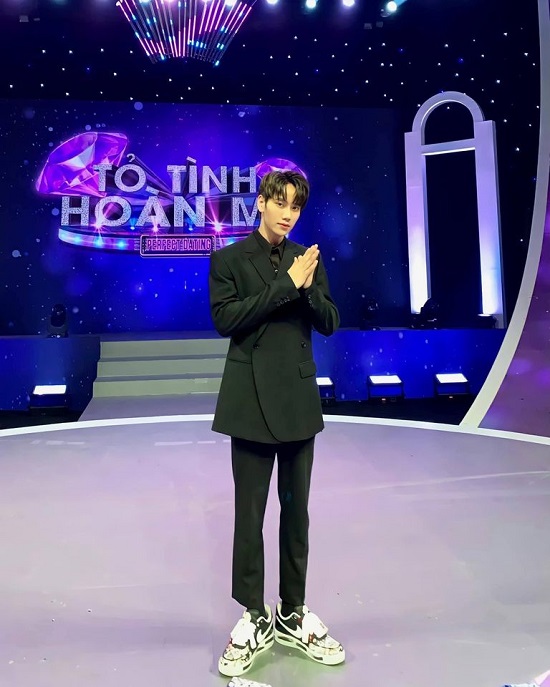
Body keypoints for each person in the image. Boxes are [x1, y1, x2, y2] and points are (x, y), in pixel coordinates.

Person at [209, 170, 344, 678]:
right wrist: (287, 286)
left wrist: (305, 289)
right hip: (248, 401)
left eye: (296, 207)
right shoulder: (227, 259)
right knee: (249, 514)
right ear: (261, 203)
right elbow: (227, 320)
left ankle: (292, 612)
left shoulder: (307, 258)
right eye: (280, 203)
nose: (288, 214)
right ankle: (253, 615)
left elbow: (329, 321)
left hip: (297, 400)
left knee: (296, 512)